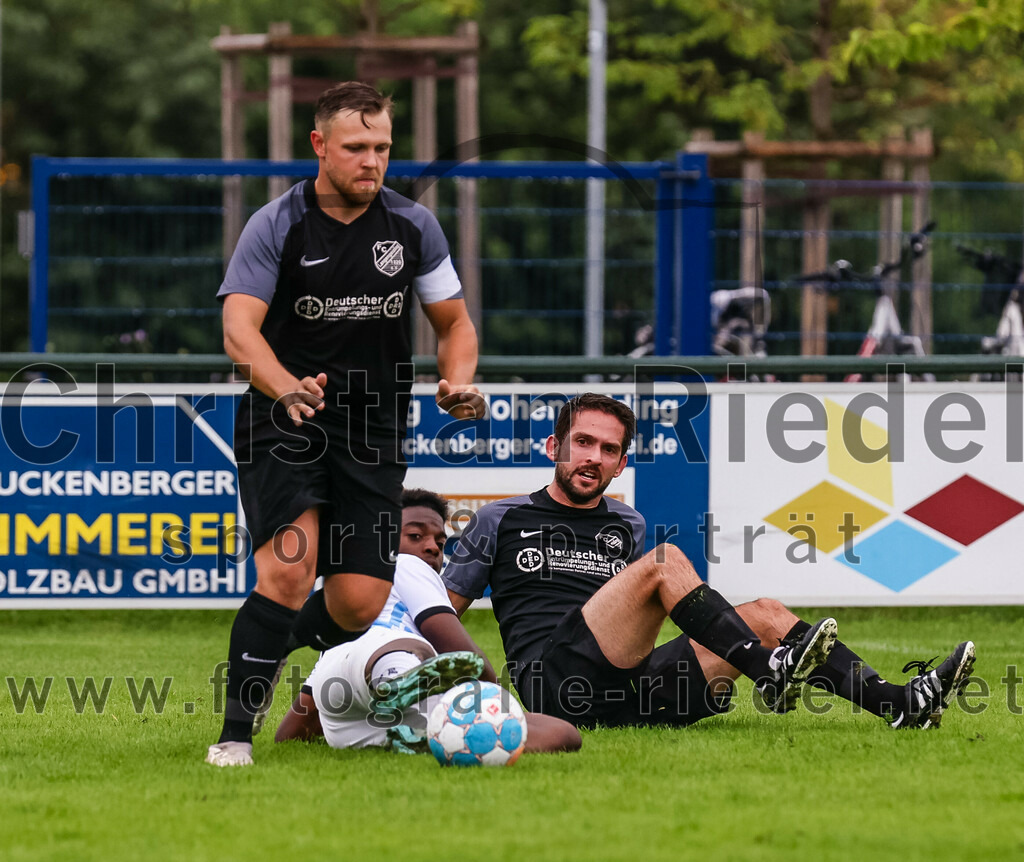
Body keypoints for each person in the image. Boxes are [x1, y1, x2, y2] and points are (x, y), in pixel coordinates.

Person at [207, 81, 485, 767]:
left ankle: (266, 643)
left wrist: (459, 379)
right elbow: (238, 328)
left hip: (375, 429)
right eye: (357, 147)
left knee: (360, 602)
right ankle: (234, 735)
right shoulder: (278, 224)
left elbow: (454, 323)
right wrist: (283, 386)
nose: (373, 160)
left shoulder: (412, 227)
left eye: (383, 148)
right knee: (289, 570)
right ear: (320, 146)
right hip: (286, 418)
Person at [442, 393, 976, 731]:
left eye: (608, 450)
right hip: (554, 687)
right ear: (554, 446)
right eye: (583, 442)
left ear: (622, 463)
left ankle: (899, 703)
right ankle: (768, 671)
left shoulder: (625, 523)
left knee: (766, 613)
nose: (593, 458)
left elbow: (638, 622)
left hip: (626, 691)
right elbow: (439, 615)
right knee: (665, 561)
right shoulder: (499, 519)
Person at [274, 489, 581, 755]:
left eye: (440, 541)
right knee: (411, 650)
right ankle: (403, 689)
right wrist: (498, 706)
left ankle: (417, 726)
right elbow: (455, 645)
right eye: (416, 535)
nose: (434, 547)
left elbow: (289, 733)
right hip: (384, 658)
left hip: (339, 701)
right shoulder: (403, 563)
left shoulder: (340, 588)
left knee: (565, 733)